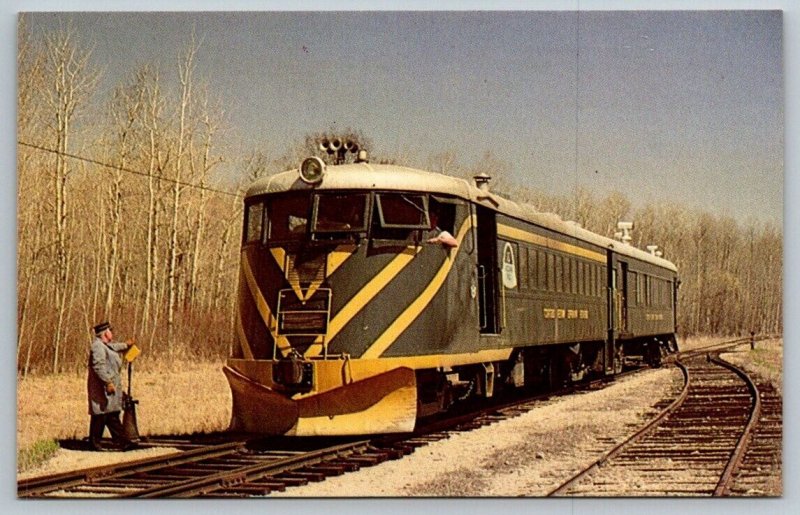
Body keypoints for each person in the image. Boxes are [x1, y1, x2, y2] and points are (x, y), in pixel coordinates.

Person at [87, 321, 136, 451]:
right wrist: (107, 382)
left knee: (109, 415)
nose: (112, 333)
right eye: (110, 330)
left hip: (108, 389)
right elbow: (98, 367)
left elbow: (114, 347)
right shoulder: (98, 347)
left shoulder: (105, 345)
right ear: (105, 333)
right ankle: (97, 443)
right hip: (103, 389)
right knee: (103, 415)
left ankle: (120, 442)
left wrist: (126, 345)